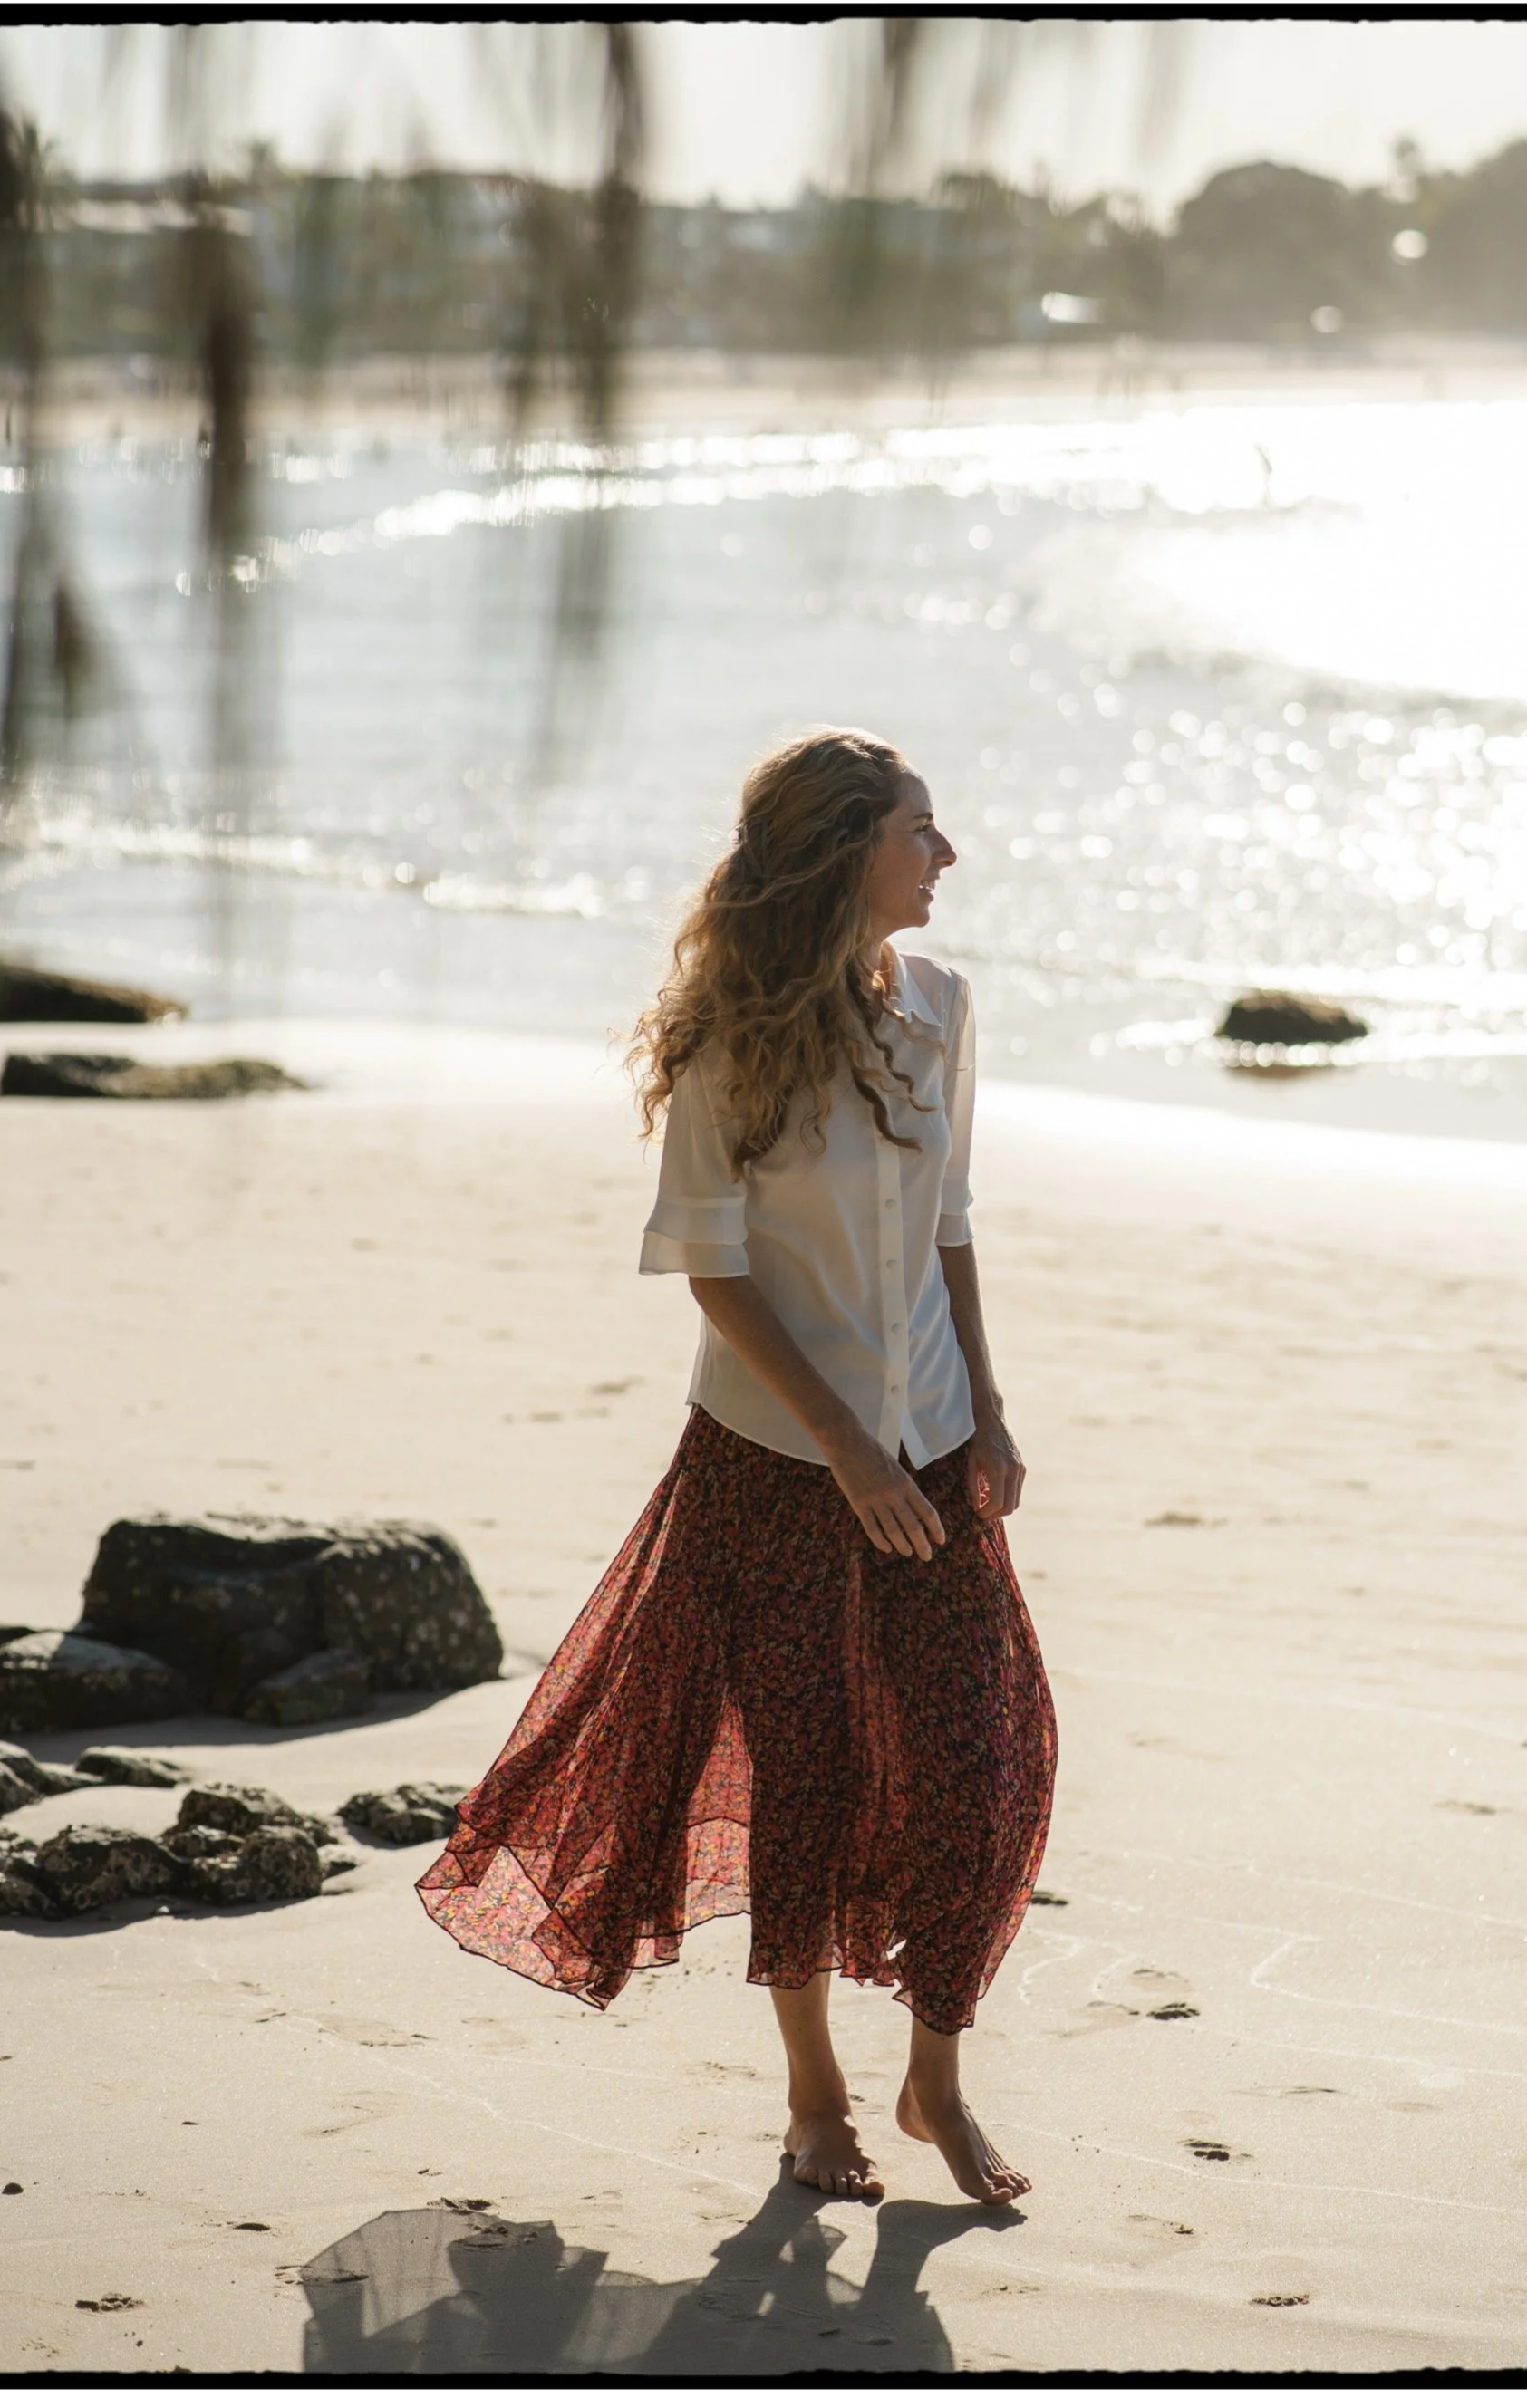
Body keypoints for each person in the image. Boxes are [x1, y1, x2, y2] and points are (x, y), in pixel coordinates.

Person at [419, 728, 1057, 2206]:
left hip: (937, 1437)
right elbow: (711, 1267)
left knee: (987, 1758)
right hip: (776, 1456)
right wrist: (842, 1447)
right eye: (921, 828)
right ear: (846, 850)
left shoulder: (943, 1005)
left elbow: (950, 1218)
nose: (945, 855)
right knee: (809, 1777)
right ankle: (815, 2098)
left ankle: (934, 2082)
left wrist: (992, 1406)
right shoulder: (729, 1034)